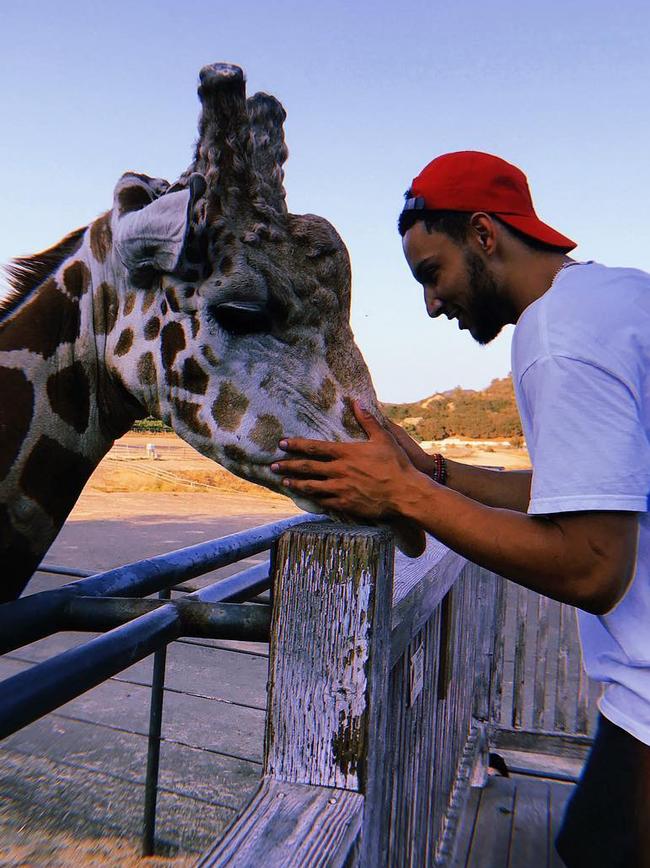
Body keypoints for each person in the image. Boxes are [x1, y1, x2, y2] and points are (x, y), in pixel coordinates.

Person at [269, 151, 650, 867]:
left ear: (483, 235)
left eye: (430, 274)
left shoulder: (555, 341)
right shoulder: (618, 297)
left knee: (595, 847)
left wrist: (402, 494)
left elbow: (595, 566)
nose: (431, 303)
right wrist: (434, 471)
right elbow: (582, 492)